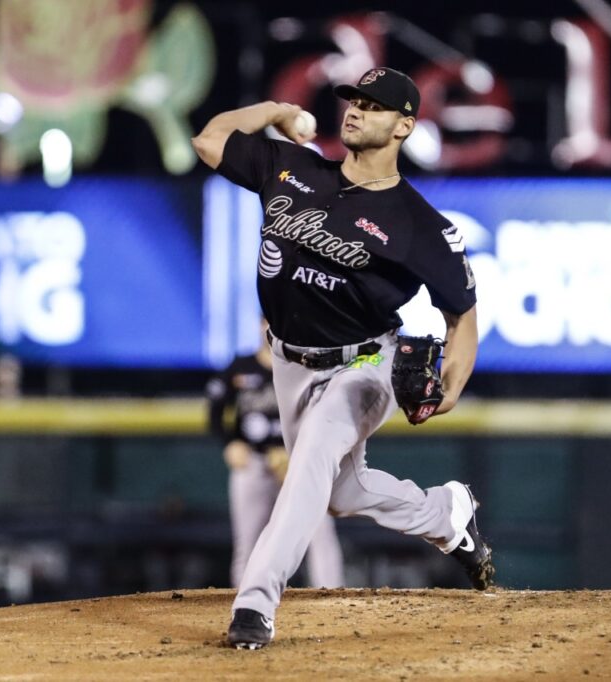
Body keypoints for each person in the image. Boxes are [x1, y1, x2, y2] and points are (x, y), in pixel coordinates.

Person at [192, 67, 493, 650]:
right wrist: (277, 110)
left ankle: (255, 604)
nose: (356, 109)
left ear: (405, 125)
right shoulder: (292, 167)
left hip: (362, 367)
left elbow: (464, 318)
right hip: (289, 361)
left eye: (375, 105)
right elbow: (210, 140)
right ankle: (445, 514)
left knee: (307, 467)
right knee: (337, 492)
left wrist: (451, 387)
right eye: (354, 99)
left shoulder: (421, 226)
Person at [206, 320, 345, 590]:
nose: (273, 329)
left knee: (321, 536)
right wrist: (230, 442)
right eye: (269, 323)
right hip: (254, 463)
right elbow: (214, 411)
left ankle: (332, 602)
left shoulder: (308, 366)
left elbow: (326, 415)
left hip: (300, 463)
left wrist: (298, 454)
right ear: (260, 325)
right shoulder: (240, 367)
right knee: (249, 541)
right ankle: (245, 605)